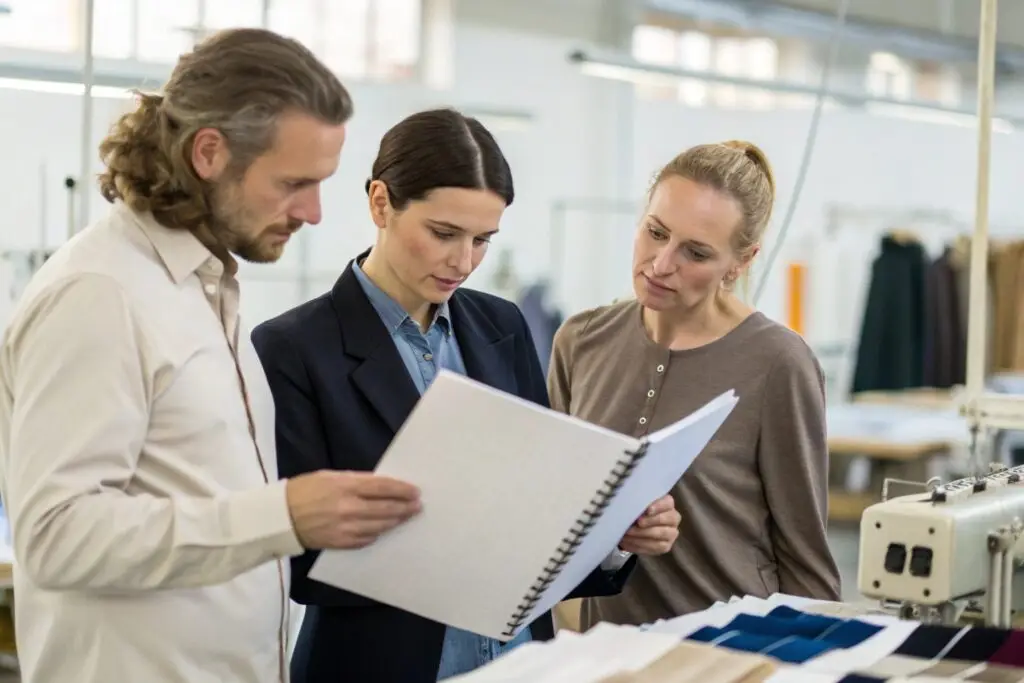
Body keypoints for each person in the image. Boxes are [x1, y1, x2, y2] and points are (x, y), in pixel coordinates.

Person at [0, 28, 422, 683]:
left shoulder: (204, 289)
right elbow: (56, 534)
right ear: (208, 152)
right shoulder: (100, 294)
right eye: (293, 183)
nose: (313, 212)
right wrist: (281, 513)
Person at [251, 108, 682, 683]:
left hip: (518, 662)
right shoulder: (293, 348)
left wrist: (611, 536)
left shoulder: (502, 327)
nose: (464, 262)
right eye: (444, 233)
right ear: (381, 203)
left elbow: (542, 515)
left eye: (483, 239)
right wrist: (461, 544)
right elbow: (298, 563)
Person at [547, 140, 842, 630]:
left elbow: (806, 562)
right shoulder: (581, 342)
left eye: (696, 253)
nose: (662, 264)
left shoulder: (778, 364)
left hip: (733, 653)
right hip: (605, 652)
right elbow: (551, 511)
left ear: (741, 262)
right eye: (655, 232)